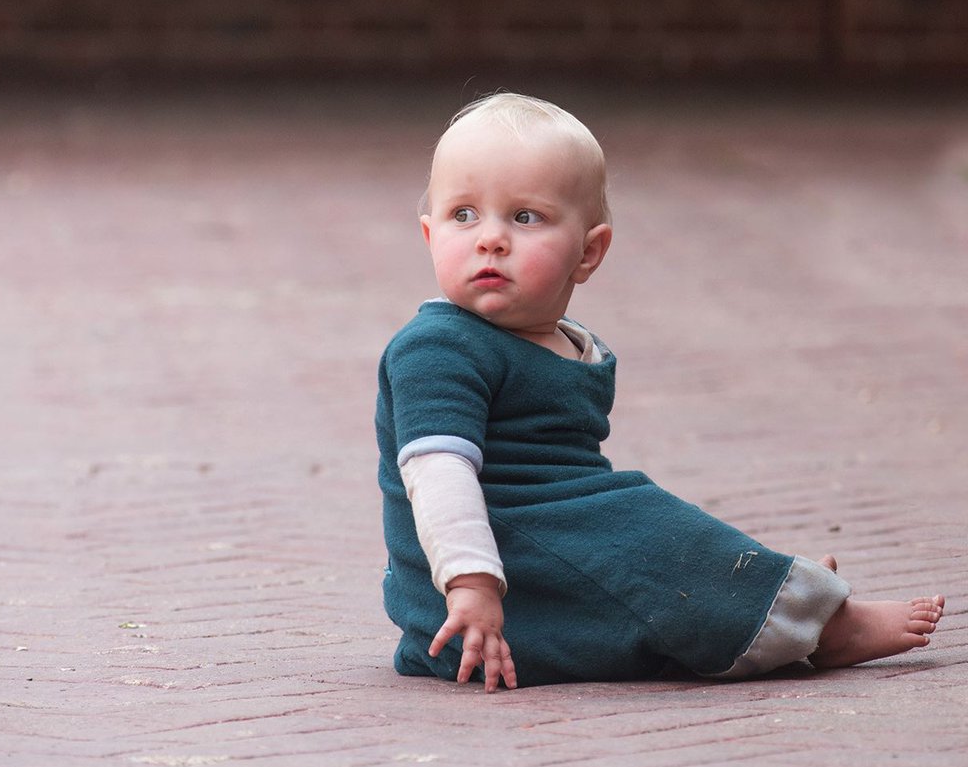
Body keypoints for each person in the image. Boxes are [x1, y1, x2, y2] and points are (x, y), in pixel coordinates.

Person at [375, 92, 944, 692]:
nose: (490, 238)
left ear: (588, 251)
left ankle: (767, 597)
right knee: (651, 538)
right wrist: (471, 584)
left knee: (654, 532)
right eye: (464, 215)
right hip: (479, 597)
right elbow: (438, 475)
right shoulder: (438, 348)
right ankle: (816, 624)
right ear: (429, 233)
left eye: (525, 217)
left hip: (546, 553)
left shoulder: (567, 342)